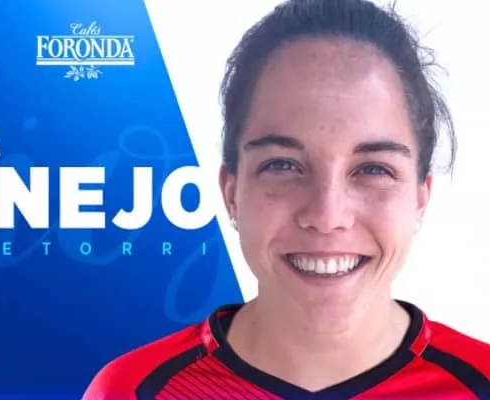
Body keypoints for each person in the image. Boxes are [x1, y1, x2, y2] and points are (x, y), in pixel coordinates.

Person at [83, 0, 490, 398]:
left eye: (373, 169)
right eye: (282, 165)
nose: (327, 216)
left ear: (420, 197)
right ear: (231, 192)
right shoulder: (132, 391)